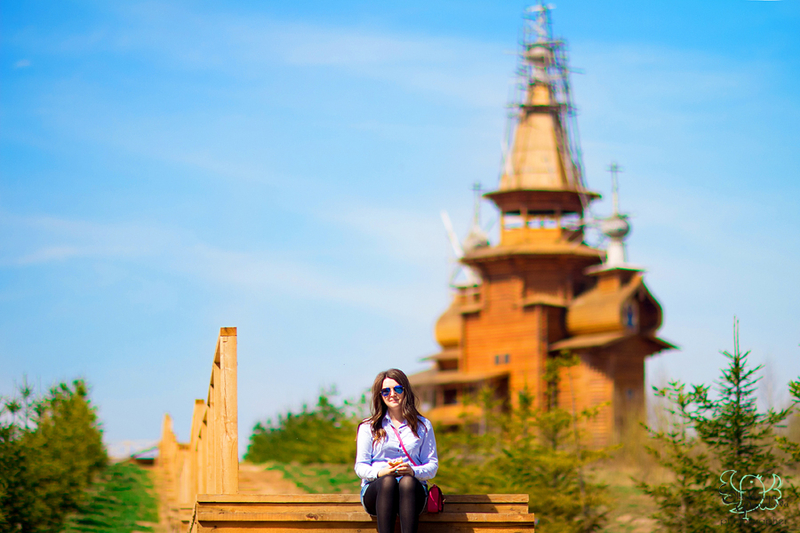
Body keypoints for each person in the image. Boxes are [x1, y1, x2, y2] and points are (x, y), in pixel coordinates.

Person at [354, 368, 438, 533]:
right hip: (377, 491)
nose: (392, 394)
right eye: (386, 391)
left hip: (412, 491)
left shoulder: (423, 425)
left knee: (406, 482)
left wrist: (412, 471)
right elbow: (360, 466)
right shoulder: (368, 426)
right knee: (388, 481)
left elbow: (432, 465)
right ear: (380, 395)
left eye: (397, 389)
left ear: (405, 391)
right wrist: (381, 472)